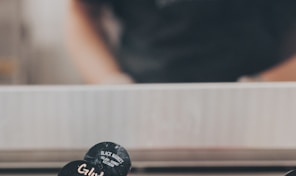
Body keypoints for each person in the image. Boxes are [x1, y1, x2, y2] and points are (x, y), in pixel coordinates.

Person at [66, 0, 296, 84]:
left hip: (258, 110)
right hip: (144, 106)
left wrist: (264, 86)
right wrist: (111, 82)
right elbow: (81, 11)